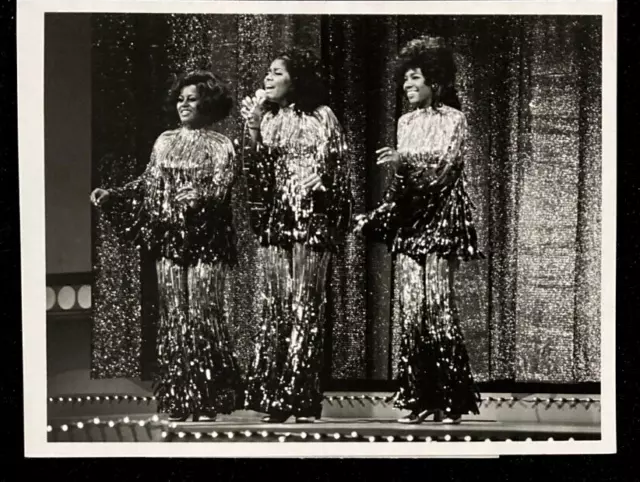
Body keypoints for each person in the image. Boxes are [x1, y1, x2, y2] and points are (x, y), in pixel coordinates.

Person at [90, 70, 242, 422]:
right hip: (171, 238)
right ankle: (179, 397)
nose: (184, 104)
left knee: (204, 316)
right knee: (175, 318)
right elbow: (148, 181)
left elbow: (223, 187)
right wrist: (115, 193)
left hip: (208, 240)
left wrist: (200, 197)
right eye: (180, 98)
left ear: (208, 103)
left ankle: (208, 398)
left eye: (192, 98)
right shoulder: (164, 140)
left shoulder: (221, 144)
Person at [355, 36, 482, 424]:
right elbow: (403, 182)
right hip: (410, 222)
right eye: (405, 80)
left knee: (438, 307)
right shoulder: (404, 122)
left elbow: (445, 169)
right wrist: (379, 213)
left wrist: (404, 159)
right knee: (413, 310)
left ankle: (449, 400)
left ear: (435, 81)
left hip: (442, 219)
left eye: (414, 79)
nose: (407, 86)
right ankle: (419, 397)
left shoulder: (454, 119)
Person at [239, 48, 353, 423]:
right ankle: (273, 396)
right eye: (267, 74)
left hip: (313, 220)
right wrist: (253, 127)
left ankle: (301, 398)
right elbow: (253, 175)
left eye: (276, 73)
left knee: (306, 308)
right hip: (277, 220)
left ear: (295, 80)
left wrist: (324, 184)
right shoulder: (266, 119)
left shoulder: (323, 116)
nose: (267, 79)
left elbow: (342, 172)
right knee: (275, 306)